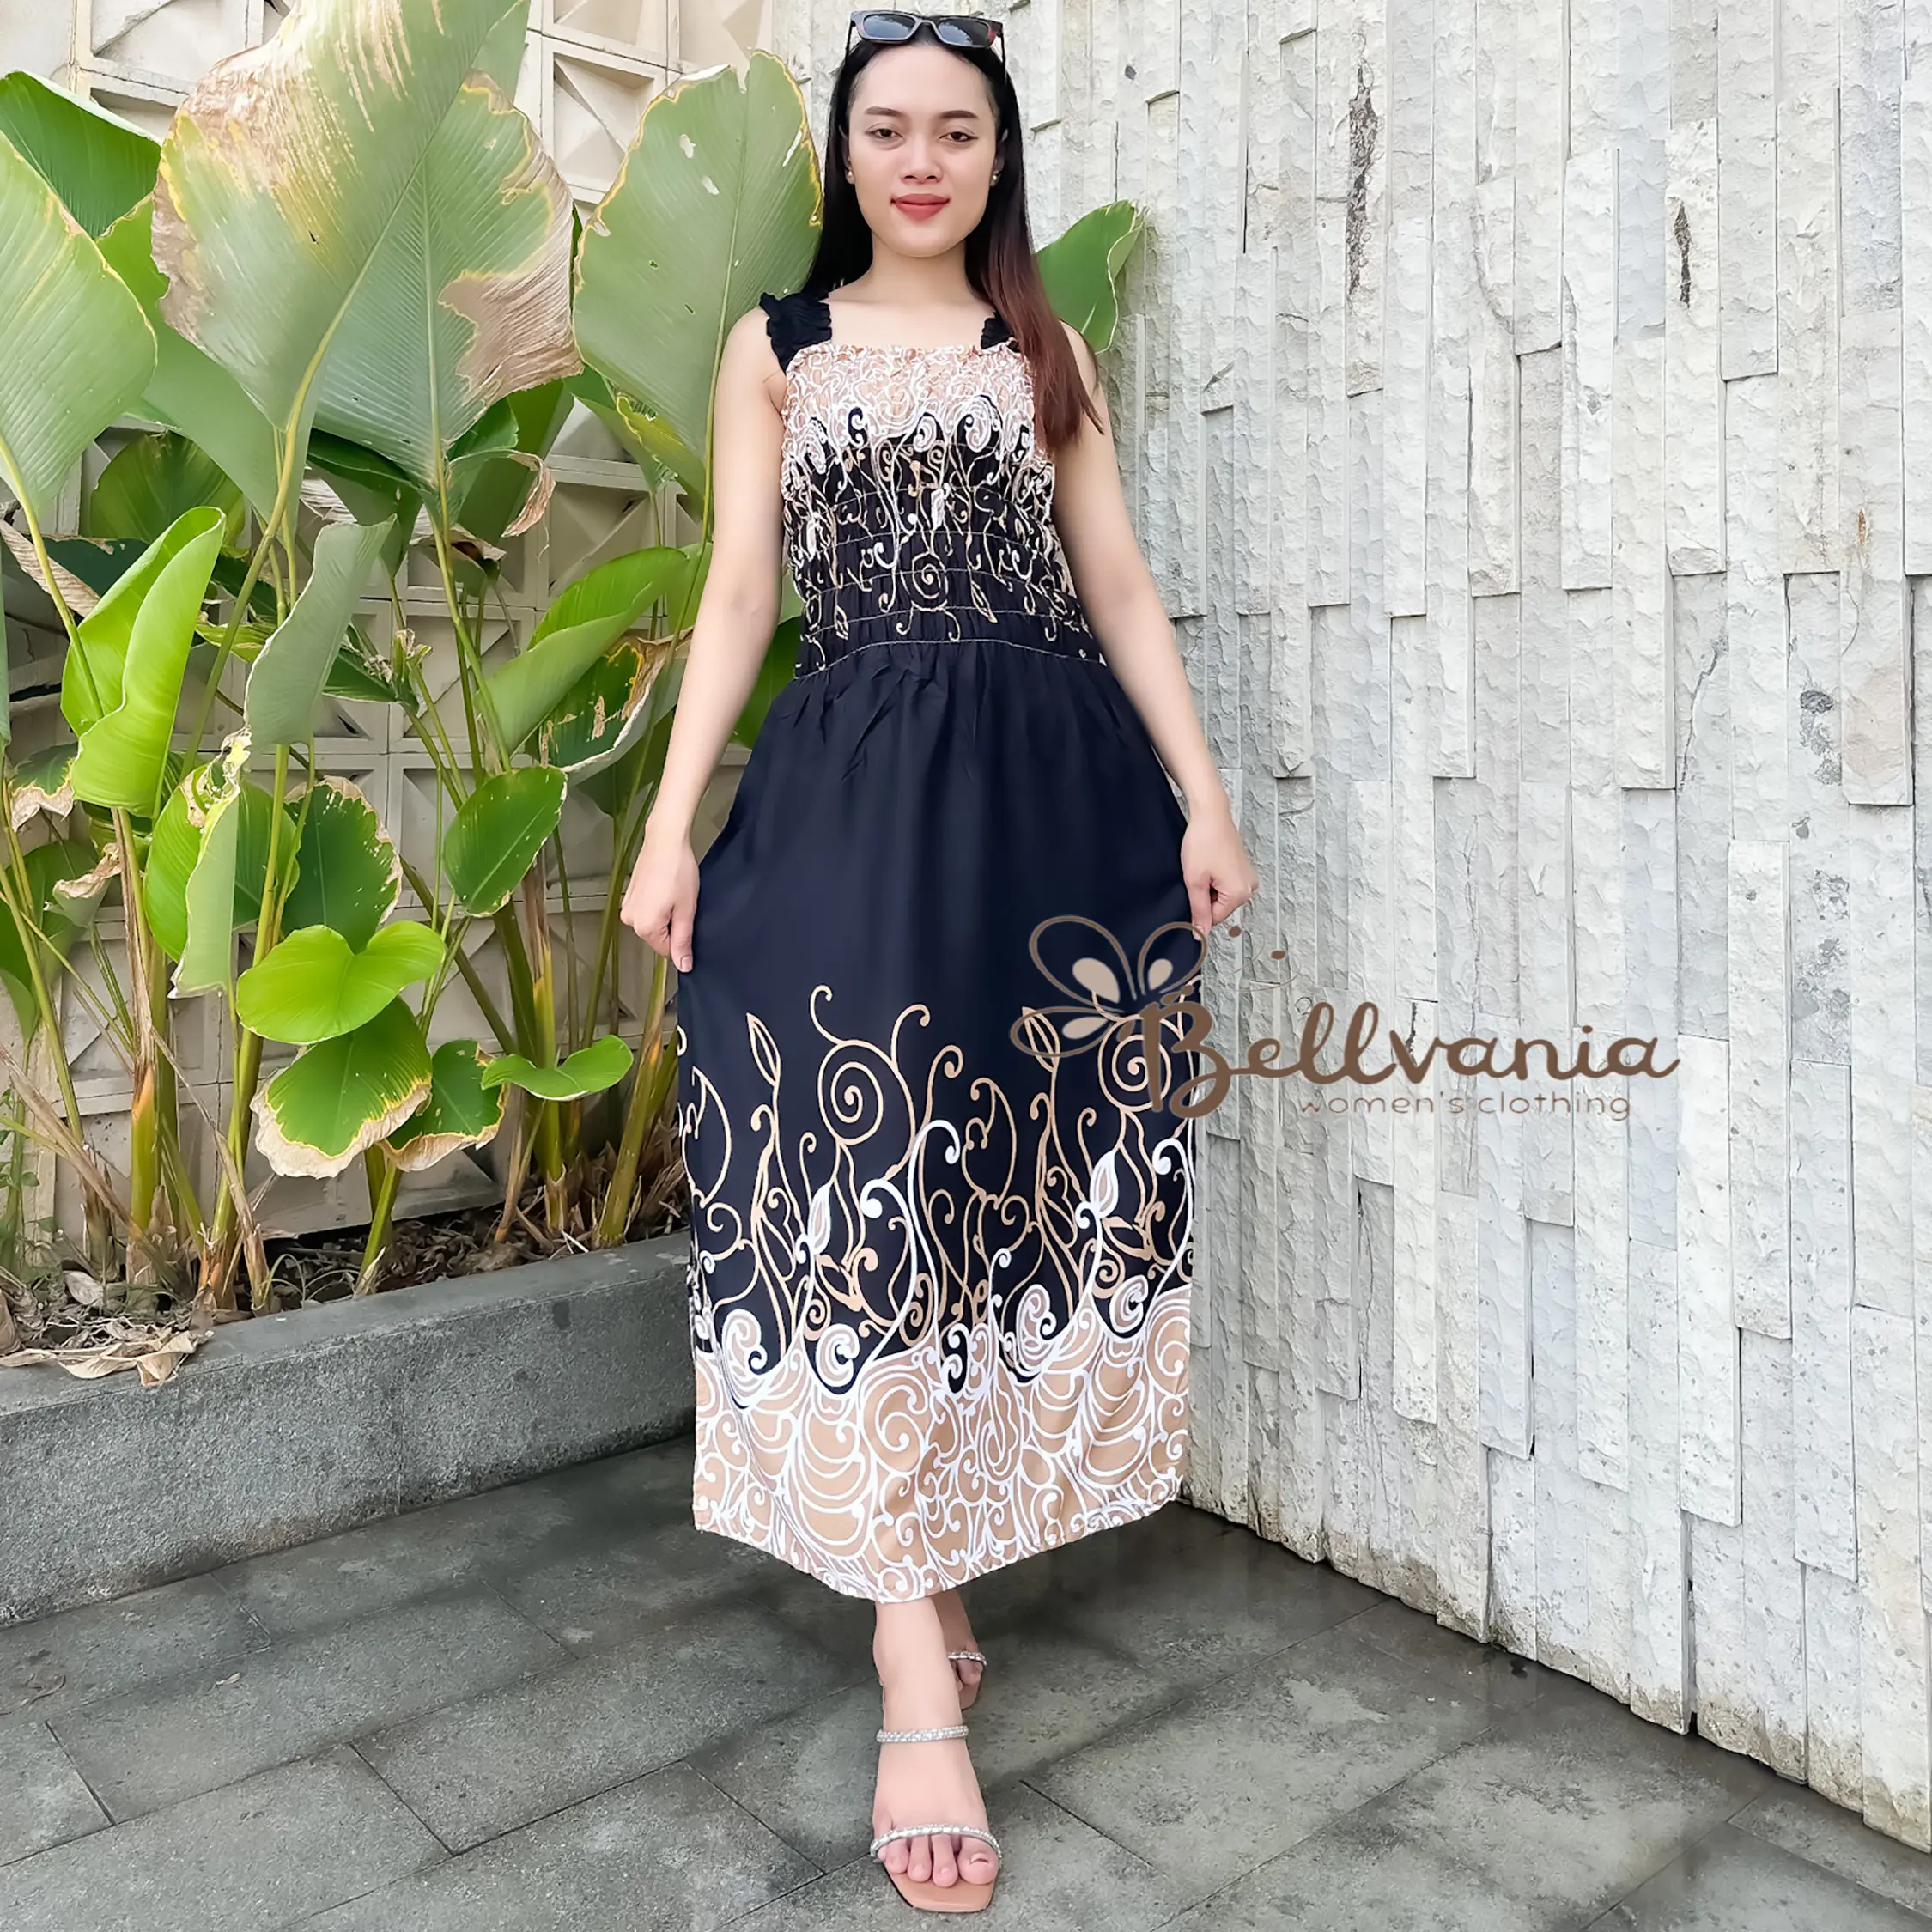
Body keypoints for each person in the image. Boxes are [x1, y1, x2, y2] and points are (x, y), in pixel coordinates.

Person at [621, 8, 1258, 1911]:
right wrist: (668, 826)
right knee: (866, 1178)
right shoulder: (777, 346)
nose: (921, 160)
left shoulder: (1039, 348)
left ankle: (930, 1565)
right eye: (889, 128)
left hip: (1050, 802)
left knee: (992, 1184)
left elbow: (1116, 582)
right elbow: (744, 592)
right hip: (857, 793)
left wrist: (1202, 799)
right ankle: (913, 1667)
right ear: (847, 154)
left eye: (956, 132)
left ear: (997, 158)